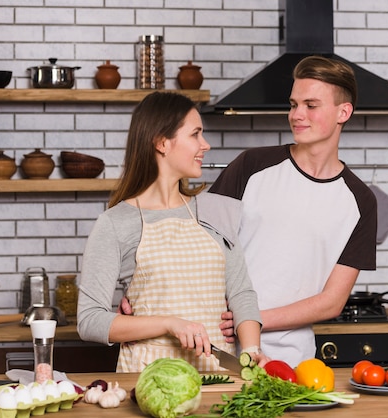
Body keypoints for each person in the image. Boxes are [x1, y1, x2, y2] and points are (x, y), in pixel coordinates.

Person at [77, 91, 267, 373]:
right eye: (195, 134)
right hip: (149, 375)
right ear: (162, 142)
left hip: (217, 373)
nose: (206, 145)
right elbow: (90, 321)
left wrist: (252, 350)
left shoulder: (216, 210)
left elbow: (241, 292)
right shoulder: (116, 223)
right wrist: (169, 323)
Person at [208, 55, 378, 367]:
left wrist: (252, 320)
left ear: (344, 112)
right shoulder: (250, 166)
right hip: (214, 347)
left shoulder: (360, 201)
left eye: (311, 105)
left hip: (290, 362)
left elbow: (332, 302)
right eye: (293, 104)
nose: (297, 115)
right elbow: (194, 244)